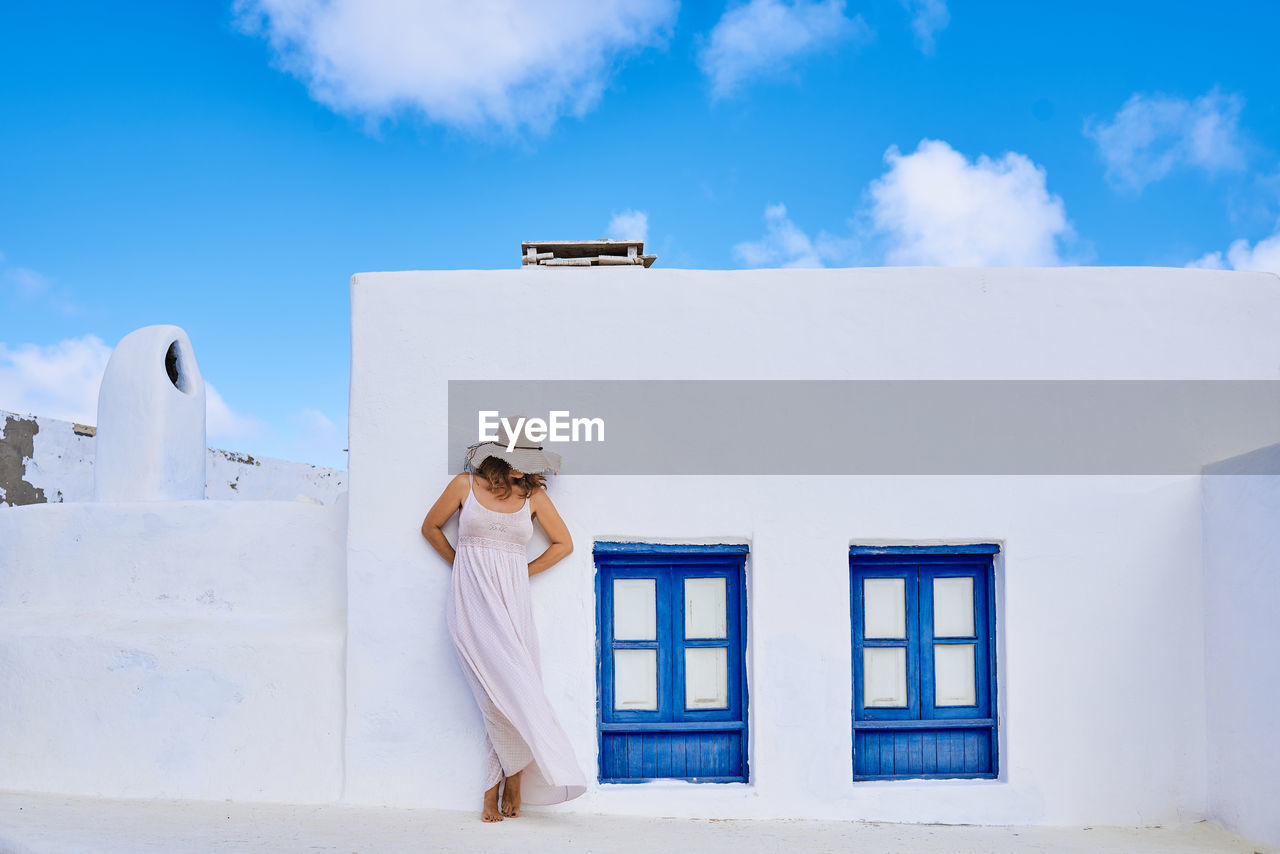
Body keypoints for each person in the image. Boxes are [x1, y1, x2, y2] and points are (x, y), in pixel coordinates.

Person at [420, 418, 587, 822]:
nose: (523, 467)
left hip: (513, 605)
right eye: (517, 458)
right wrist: (461, 566)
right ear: (497, 455)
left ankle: (508, 780)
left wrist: (522, 571)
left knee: (517, 690)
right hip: (470, 602)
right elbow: (431, 527)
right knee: (490, 694)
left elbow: (564, 544)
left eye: (530, 460)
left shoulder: (532, 496)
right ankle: (503, 779)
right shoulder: (465, 486)